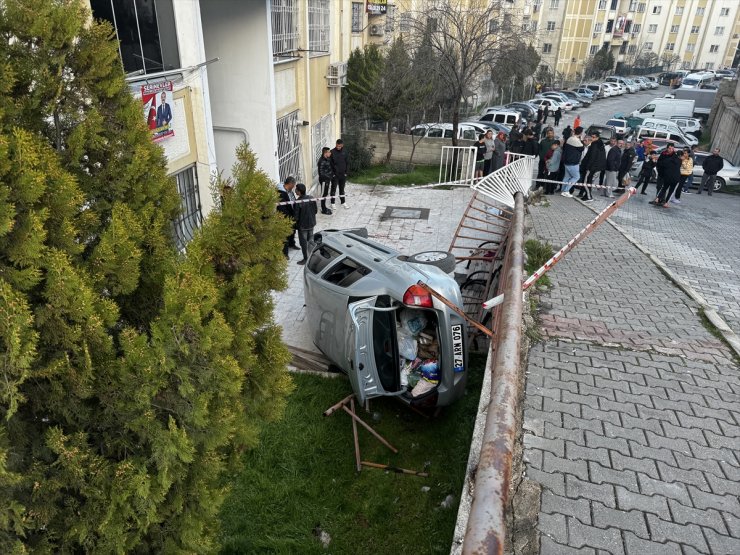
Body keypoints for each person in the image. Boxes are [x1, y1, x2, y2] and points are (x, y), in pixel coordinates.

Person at [293, 183, 317, 265]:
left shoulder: (298, 202)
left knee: (303, 243)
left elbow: (296, 217)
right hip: (311, 224)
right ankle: (312, 256)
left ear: (299, 192)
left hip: (302, 226)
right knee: (310, 241)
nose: (295, 191)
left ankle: (306, 259)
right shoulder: (311, 198)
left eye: (296, 189)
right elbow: (316, 211)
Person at [277, 176, 299, 258]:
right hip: (285, 218)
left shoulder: (289, 191)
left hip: (291, 215)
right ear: (290, 184)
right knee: (285, 235)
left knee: (292, 231)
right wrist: (289, 217)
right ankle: (285, 254)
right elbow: (282, 208)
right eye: (293, 185)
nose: (294, 187)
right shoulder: (281, 193)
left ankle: (292, 244)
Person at [560, 126, 584, 197]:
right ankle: (566, 191)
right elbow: (581, 148)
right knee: (576, 177)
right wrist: (581, 139)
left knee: (567, 176)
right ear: (581, 133)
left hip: (566, 161)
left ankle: (563, 190)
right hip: (573, 162)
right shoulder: (576, 140)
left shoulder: (570, 138)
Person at [586, 132, 607, 199]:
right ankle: (586, 195)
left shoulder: (595, 145)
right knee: (589, 181)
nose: (592, 138)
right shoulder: (600, 144)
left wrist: (588, 167)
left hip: (593, 166)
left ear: (597, 137)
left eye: (593, 137)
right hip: (597, 166)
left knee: (588, 181)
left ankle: (588, 196)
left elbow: (592, 156)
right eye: (591, 137)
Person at [330, 139, 350, 209]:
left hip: (343, 174)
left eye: (340, 146)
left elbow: (347, 163)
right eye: (337, 146)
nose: (338, 147)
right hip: (335, 175)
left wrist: (346, 173)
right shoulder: (332, 152)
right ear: (336, 144)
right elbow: (330, 164)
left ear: (342, 145)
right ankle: (332, 203)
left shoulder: (345, 152)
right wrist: (332, 174)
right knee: (333, 189)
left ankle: (343, 202)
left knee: (342, 189)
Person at [317, 147, 334, 215]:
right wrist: (329, 176)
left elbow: (328, 169)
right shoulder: (321, 161)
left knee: (326, 193)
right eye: (329, 152)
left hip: (327, 180)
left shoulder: (327, 159)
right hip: (324, 181)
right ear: (325, 153)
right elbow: (321, 173)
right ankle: (323, 209)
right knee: (324, 194)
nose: (330, 153)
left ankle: (324, 207)